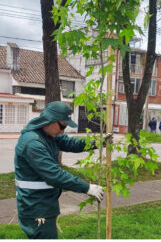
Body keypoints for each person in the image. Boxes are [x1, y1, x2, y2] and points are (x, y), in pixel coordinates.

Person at [13, 101, 106, 238]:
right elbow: (54, 175)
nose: (63, 131)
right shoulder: (32, 143)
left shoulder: (49, 135)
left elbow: (71, 143)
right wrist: (87, 187)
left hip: (43, 205)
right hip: (36, 209)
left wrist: (98, 142)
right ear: (50, 120)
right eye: (62, 126)